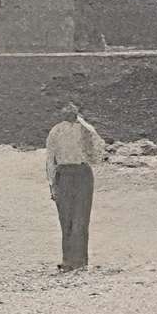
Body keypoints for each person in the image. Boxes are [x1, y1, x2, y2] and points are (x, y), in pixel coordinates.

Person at [44, 102, 106, 273]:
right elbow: (50, 160)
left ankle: (80, 261)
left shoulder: (85, 130)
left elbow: (100, 147)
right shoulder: (56, 131)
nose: (69, 111)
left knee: (81, 217)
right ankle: (68, 260)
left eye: (73, 109)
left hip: (82, 172)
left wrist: (84, 123)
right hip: (63, 173)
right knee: (66, 219)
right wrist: (52, 184)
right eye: (66, 108)